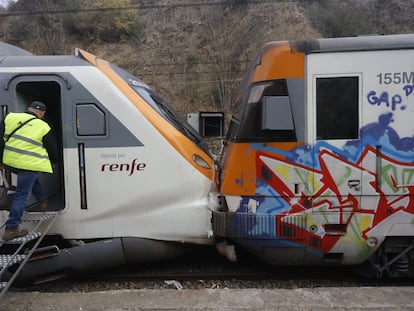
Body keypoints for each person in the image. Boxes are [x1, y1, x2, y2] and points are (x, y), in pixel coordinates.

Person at [0, 101, 54, 241]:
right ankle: (11, 228)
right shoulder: (43, 125)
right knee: (22, 194)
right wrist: (54, 161)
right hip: (29, 164)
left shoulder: (10, 118)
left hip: (11, 162)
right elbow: (51, 147)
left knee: (29, 178)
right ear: (41, 113)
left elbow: (0, 140)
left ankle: (42, 200)